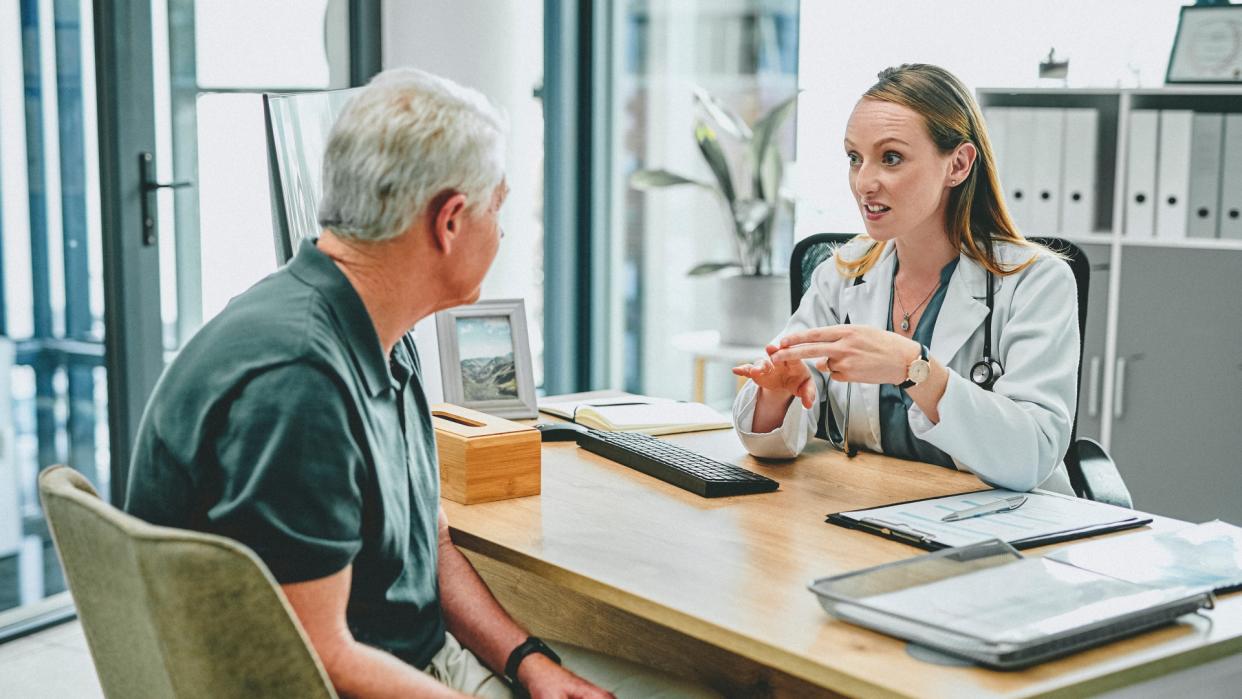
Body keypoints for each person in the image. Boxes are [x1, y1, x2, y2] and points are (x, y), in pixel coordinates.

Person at [125, 68, 714, 699]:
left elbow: (428, 548)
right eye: (498, 207)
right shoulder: (298, 382)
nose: (504, 230)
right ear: (450, 221)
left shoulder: (377, 324)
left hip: (412, 659)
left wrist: (531, 665)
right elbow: (319, 658)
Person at [731, 63, 1079, 494]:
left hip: (1006, 532)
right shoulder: (840, 275)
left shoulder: (1037, 283)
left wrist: (915, 370)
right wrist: (776, 396)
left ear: (958, 164)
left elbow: (1034, 455)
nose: (864, 182)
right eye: (855, 158)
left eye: (890, 158)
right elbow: (769, 443)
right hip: (876, 511)